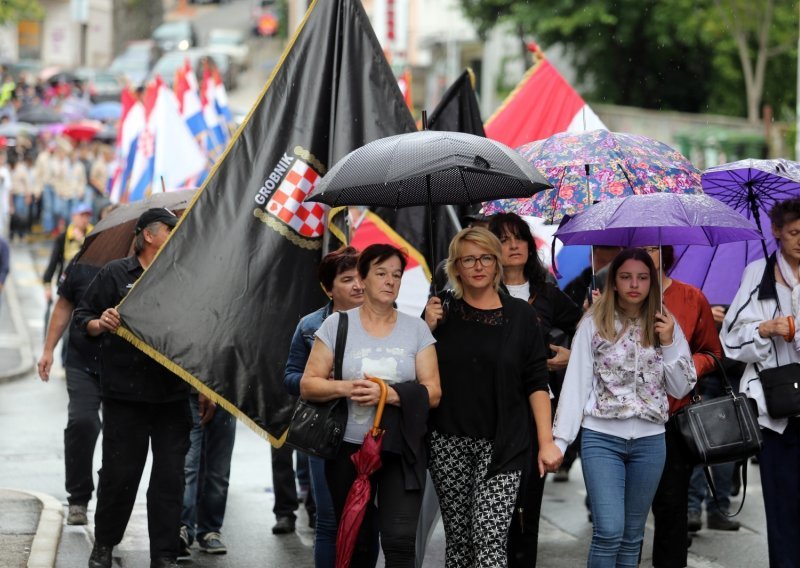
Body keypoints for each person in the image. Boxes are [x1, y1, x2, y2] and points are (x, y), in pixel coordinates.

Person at [423, 227, 562, 567]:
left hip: (504, 445)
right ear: (455, 267)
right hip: (449, 441)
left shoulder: (521, 316)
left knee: (488, 538)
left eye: (486, 257)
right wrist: (425, 328)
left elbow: (536, 381)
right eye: (468, 259)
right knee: (459, 542)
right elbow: (416, 371)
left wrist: (546, 442)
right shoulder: (441, 312)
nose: (478, 266)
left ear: (497, 263)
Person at [553, 247, 697, 568]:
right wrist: (560, 442)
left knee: (633, 535)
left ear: (652, 283)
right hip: (601, 438)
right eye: (626, 277)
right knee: (608, 530)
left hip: (651, 442)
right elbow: (575, 383)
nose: (635, 284)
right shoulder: (594, 322)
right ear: (614, 282)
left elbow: (682, 387)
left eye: (643, 277)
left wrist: (670, 342)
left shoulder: (665, 324)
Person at [301, 243, 441, 568]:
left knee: (399, 540)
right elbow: (309, 384)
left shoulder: (416, 329)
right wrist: (348, 387)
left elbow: (433, 392)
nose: (390, 281)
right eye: (381, 273)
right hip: (349, 450)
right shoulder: (337, 325)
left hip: (401, 449)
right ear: (362, 279)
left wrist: (388, 395)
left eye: (396, 275)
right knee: (359, 542)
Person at [74, 208, 192, 568]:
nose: (175, 236)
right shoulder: (114, 273)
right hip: (124, 395)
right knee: (120, 474)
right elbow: (82, 320)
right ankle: (105, 544)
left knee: (170, 478)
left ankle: (165, 554)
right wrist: (100, 321)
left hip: (172, 395)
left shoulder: (182, 276)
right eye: (169, 230)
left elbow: (200, 333)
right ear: (148, 235)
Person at [487, 213, 581, 567]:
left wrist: (569, 356)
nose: (514, 245)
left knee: (527, 501)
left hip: (535, 408)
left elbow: (583, 329)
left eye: (520, 238)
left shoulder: (547, 293)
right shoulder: (481, 289)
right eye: (505, 239)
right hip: (487, 411)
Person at [720, 197, 800, 567]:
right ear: (777, 233)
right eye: (794, 232)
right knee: (782, 508)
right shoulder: (757, 274)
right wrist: (765, 329)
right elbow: (730, 340)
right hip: (776, 411)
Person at [639, 245, 727, 568]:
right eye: (638, 248)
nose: (645, 254)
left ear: (666, 252)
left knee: (671, 511)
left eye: (652, 248)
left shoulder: (691, 298)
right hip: (626, 420)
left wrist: (686, 364)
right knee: (624, 518)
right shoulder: (611, 298)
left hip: (674, 419)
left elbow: (714, 353)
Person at [283, 246, 364, 567]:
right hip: (325, 432)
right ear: (329, 288)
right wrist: (317, 378)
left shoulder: (388, 319)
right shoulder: (309, 325)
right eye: (347, 279)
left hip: (373, 431)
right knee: (329, 521)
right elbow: (290, 377)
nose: (358, 285)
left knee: (366, 523)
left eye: (362, 277)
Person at [37, 258, 103, 526]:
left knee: (122, 437)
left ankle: (112, 500)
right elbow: (63, 306)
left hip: (124, 367)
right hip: (83, 362)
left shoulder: (140, 266)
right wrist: (48, 350)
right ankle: (78, 497)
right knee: (83, 422)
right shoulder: (82, 264)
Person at [179, 390, 235, 556]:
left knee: (217, 470)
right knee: (189, 467)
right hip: (191, 388)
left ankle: (209, 530)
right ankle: (183, 528)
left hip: (225, 391)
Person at [42, 202, 93, 304]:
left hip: (86, 286)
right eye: (82, 216)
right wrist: (47, 285)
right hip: (65, 282)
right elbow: (53, 262)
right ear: (73, 217)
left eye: (87, 216)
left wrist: (82, 241)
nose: (84, 220)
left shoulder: (93, 235)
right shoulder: (63, 237)